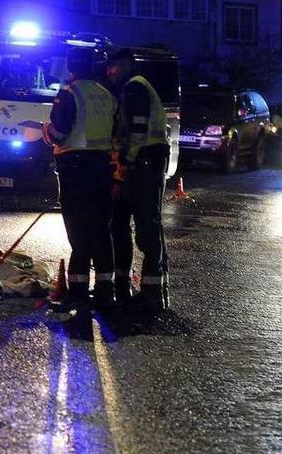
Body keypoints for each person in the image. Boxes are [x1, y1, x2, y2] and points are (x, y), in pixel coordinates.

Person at [42, 47, 117, 316]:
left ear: (70, 68)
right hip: (102, 169)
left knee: (79, 234)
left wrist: (46, 133)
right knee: (100, 230)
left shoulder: (69, 94)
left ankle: (78, 295)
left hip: (75, 170)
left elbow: (60, 134)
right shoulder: (106, 95)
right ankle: (106, 293)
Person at [107, 48, 171, 312]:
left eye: (114, 66)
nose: (110, 72)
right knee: (121, 226)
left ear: (126, 65)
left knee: (146, 229)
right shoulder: (132, 88)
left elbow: (138, 130)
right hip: (143, 163)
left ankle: (152, 293)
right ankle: (124, 287)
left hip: (144, 165)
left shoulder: (135, 88)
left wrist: (125, 162)